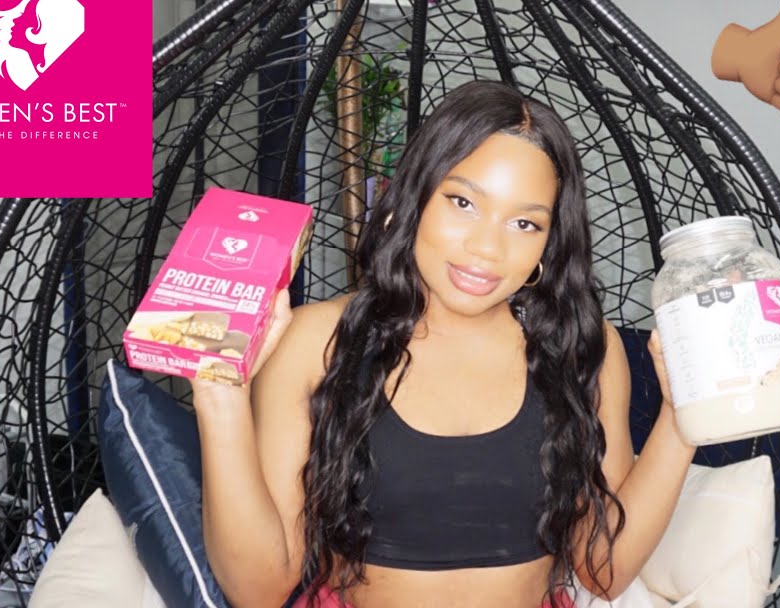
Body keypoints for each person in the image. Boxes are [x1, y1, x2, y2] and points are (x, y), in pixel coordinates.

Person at [191, 80, 697, 608]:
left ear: (548, 244)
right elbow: (258, 591)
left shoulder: (581, 349)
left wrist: (683, 419)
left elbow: (603, 571)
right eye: (462, 202)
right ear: (414, 199)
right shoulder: (316, 342)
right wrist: (220, 395)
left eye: (524, 223)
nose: (487, 247)